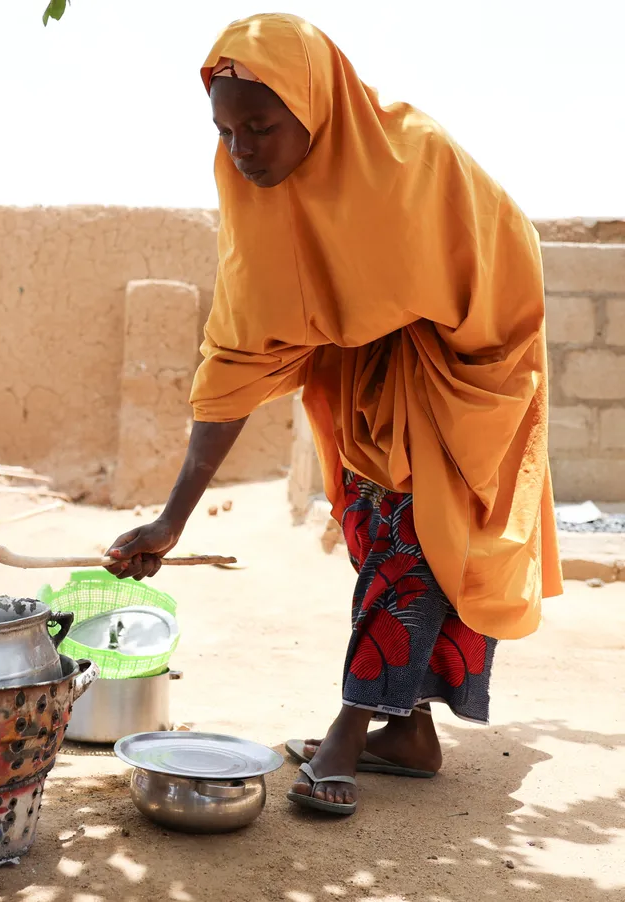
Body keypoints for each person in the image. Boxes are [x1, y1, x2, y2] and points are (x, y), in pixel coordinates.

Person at [105, 13, 561, 816]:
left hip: (454, 373)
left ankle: (350, 731)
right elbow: (238, 360)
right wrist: (172, 519)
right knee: (380, 540)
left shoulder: (415, 161)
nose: (242, 149)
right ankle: (409, 735)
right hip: (358, 395)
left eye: (261, 126)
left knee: (411, 544)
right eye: (225, 130)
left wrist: (420, 331)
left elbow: (507, 252)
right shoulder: (255, 205)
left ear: (315, 106)